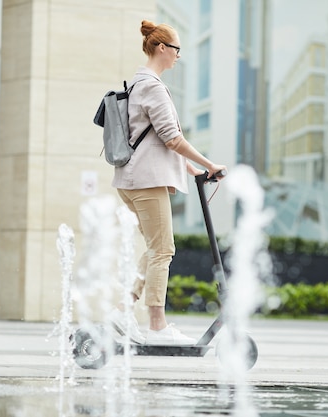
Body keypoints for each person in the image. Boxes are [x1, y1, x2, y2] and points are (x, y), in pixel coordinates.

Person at [110, 20, 227, 346]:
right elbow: (172, 139)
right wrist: (210, 164)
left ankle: (122, 309)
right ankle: (157, 326)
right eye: (176, 49)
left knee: (153, 248)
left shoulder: (138, 83)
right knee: (164, 250)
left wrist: (194, 172)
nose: (178, 56)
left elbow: (156, 142)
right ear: (161, 48)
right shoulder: (153, 86)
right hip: (146, 182)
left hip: (133, 180)